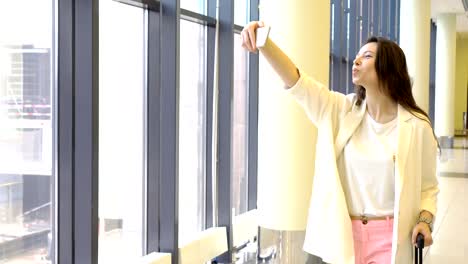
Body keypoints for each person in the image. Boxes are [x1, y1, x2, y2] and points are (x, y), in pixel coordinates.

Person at [241, 21, 439, 264]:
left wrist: (425, 220)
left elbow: (428, 187)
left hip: (391, 238)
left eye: (366, 56)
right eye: (356, 56)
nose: (356, 61)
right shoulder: (339, 109)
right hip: (342, 235)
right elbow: (297, 82)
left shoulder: (417, 126)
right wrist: (264, 43)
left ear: (388, 68)